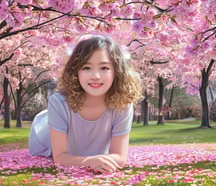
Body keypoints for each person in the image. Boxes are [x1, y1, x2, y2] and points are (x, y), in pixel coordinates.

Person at [29, 35, 142, 173]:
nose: (95, 76)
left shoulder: (123, 105)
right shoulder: (58, 102)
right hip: (45, 135)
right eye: (87, 68)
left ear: (117, 72)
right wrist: (88, 162)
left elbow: (120, 157)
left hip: (90, 149)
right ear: (76, 71)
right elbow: (59, 157)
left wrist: (98, 160)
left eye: (104, 68)